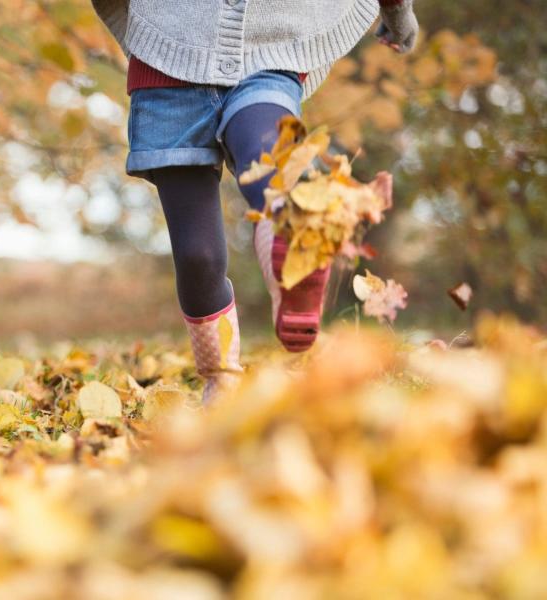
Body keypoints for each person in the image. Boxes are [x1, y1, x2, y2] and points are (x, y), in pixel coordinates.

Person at [92, 0, 418, 402]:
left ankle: (291, 239)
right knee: (198, 258)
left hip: (270, 49)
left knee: (267, 161)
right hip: (168, 60)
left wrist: (397, 11)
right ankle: (221, 377)